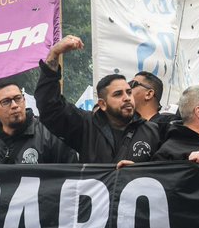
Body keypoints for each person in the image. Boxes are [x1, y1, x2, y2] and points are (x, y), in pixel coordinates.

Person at [35, 36, 161, 165]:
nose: (127, 98)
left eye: (129, 92)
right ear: (102, 104)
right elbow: (49, 106)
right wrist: (54, 54)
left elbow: (168, 170)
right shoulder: (86, 127)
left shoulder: (152, 131)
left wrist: (140, 172)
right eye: (118, 94)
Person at [0, 80, 78, 166]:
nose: (14, 105)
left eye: (18, 98)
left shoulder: (49, 135)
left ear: (24, 100)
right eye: (6, 101)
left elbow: (70, 175)